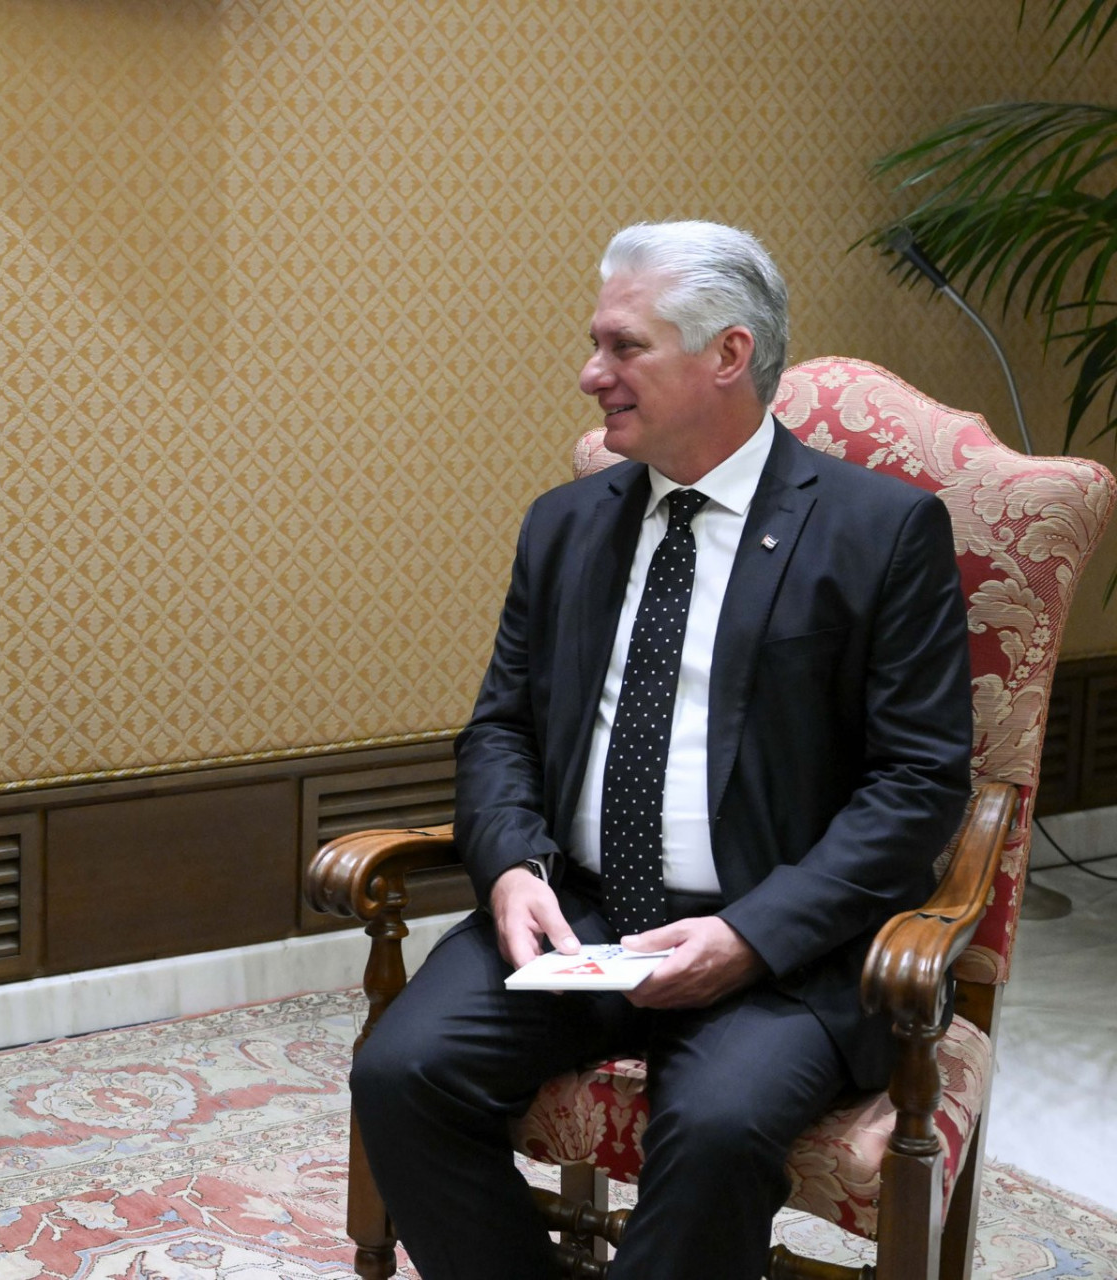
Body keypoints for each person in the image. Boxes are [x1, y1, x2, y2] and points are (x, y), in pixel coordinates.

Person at [348, 222, 973, 1278]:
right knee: (401, 1070)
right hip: (584, 910)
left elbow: (916, 787)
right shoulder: (566, 524)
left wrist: (749, 932)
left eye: (623, 346)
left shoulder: (881, 532)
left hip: (784, 945)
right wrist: (509, 868)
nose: (591, 374)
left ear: (727, 354)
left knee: (721, 1131)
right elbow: (500, 726)